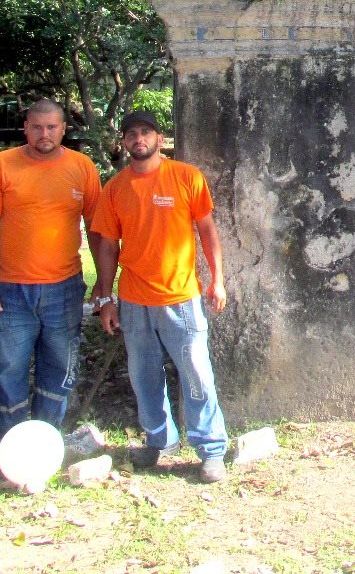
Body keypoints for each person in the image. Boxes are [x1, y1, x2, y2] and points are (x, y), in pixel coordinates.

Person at [90, 110, 229, 483]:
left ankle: (211, 449)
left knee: (197, 373)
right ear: (124, 142)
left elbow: (207, 230)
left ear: (159, 137)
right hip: (134, 301)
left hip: (181, 297)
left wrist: (217, 279)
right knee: (143, 375)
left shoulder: (186, 177)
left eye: (146, 132)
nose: (139, 139)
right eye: (131, 133)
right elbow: (106, 245)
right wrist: (105, 298)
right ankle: (159, 440)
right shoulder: (116, 188)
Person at [0, 99, 101, 456]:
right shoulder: (1, 165)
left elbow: (96, 228)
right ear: (26, 128)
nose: (45, 134)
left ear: (64, 129)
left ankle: (44, 446)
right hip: (10, 291)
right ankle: (9, 450)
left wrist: (104, 282)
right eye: (38, 127)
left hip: (64, 288)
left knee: (59, 366)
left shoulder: (81, 167)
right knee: (8, 368)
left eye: (52, 127)